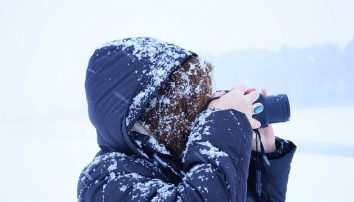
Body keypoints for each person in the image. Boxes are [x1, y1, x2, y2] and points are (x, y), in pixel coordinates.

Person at [77, 37, 296, 202]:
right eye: (194, 101)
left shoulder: (181, 160)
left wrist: (256, 165)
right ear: (158, 112)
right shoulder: (103, 180)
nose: (203, 109)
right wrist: (222, 127)